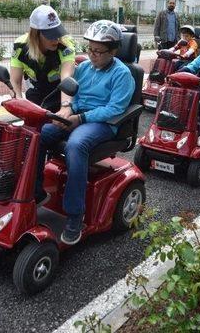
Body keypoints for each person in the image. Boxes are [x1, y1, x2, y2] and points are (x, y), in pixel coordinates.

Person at [34, 20, 135, 245]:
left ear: (114, 51)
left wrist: (79, 119)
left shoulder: (122, 74)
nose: (92, 55)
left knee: (75, 145)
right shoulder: (84, 68)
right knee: (39, 134)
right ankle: (36, 191)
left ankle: (75, 216)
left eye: (99, 51)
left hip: (104, 123)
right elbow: (74, 96)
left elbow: (115, 108)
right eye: (89, 49)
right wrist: (66, 112)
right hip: (79, 116)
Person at [10, 5, 76, 114]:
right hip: (35, 94)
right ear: (36, 35)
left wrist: (65, 106)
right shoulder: (20, 47)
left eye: (58, 33)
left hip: (58, 94)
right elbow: (15, 81)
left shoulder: (66, 46)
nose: (56, 39)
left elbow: (66, 78)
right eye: (51, 35)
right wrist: (19, 103)